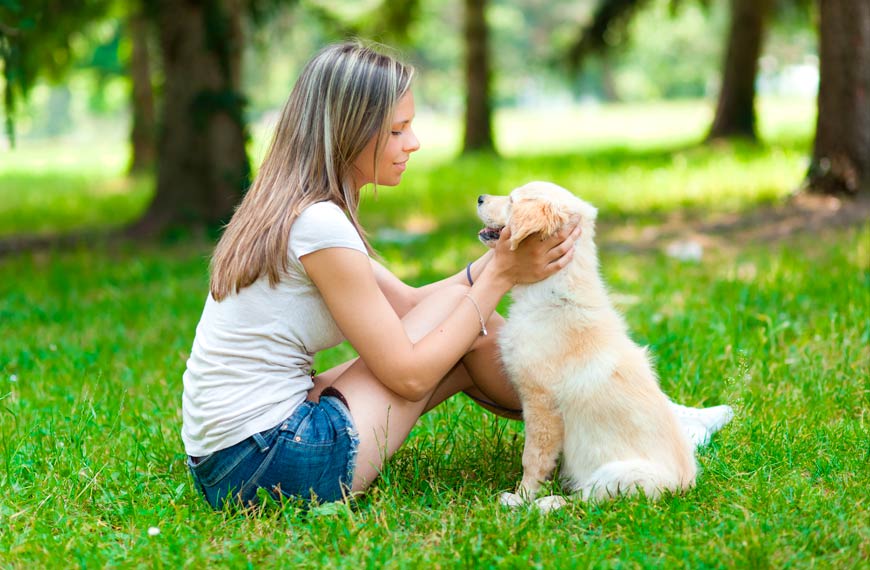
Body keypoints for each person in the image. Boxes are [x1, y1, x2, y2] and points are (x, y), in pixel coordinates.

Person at [181, 41, 732, 510]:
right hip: (275, 464)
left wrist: (490, 267)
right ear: (349, 134)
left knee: (470, 324)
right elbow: (409, 376)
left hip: (234, 457)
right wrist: (498, 276)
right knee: (469, 328)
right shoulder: (320, 225)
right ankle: (647, 425)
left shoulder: (293, 208)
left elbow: (411, 304)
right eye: (398, 131)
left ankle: (641, 422)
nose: (413, 143)